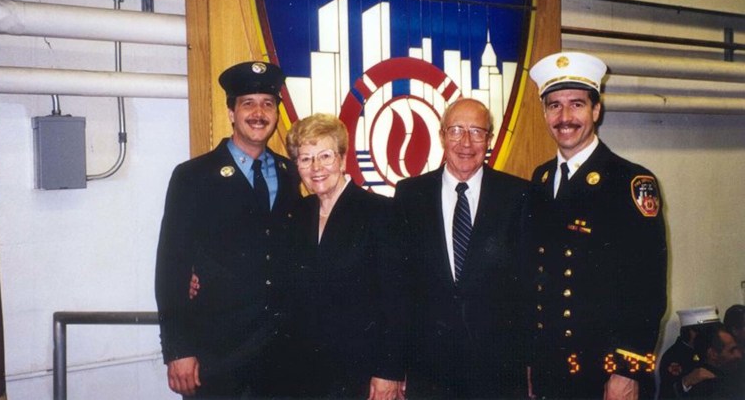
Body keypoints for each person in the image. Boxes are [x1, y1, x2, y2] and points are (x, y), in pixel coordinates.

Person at [526, 52, 668, 399]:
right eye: (554, 106)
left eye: (576, 104)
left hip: (606, 375)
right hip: (552, 371)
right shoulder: (540, 178)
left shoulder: (631, 180)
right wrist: (531, 362)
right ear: (544, 113)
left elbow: (647, 288)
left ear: (596, 110)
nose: (565, 117)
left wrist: (628, 372)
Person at [154, 61, 301, 399]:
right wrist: (178, 350)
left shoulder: (290, 172)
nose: (258, 112)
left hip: (281, 353)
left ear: (277, 113)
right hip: (217, 353)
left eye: (267, 103)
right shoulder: (193, 176)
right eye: (247, 103)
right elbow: (171, 265)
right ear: (231, 112)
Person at [390, 98, 529, 398]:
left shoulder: (518, 195)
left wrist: (532, 362)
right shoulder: (409, 195)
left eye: (477, 132)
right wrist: (395, 365)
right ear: (441, 136)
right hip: (429, 369)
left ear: (489, 139)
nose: (466, 142)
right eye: (456, 130)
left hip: (499, 370)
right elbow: (399, 287)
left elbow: (529, 287)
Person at [284, 113, 406, 400]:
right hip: (303, 375)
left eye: (325, 156)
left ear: (342, 158)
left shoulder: (380, 212)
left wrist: (389, 371)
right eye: (305, 159)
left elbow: (397, 300)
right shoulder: (295, 215)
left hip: (361, 375)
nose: (316, 168)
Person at [658, 306, 720, 398]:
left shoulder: (712, 350)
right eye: (706, 331)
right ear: (690, 332)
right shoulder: (673, 356)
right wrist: (686, 382)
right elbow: (668, 394)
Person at [675, 323, 743, 398]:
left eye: (738, 348)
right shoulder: (708, 388)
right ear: (713, 354)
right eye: (731, 350)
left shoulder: (735, 372)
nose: (739, 355)